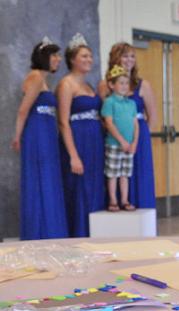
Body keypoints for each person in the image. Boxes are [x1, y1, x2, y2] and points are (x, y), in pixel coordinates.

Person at [11, 38, 68, 240]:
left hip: (45, 132)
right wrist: (17, 136)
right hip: (37, 133)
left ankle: (48, 228)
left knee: (47, 177)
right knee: (41, 177)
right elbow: (23, 111)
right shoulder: (35, 78)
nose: (58, 59)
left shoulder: (42, 79)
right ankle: (42, 230)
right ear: (44, 57)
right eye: (54, 56)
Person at [56, 33, 105, 237]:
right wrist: (73, 155)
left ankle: (95, 232)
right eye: (84, 56)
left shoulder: (89, 85)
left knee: (94, 186)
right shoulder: (66, 84)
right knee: (79, 188)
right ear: (72, 59)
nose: (88, 60)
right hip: (77, 141)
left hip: (94, 141)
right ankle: (79, 233)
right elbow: (62, 121)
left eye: (90, 56)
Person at [98, 42, 157, 209]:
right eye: (125, 56)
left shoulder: (143, 85)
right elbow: (104, 116)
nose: (129, 60)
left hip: (138, 135)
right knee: (114, 173)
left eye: (132, 56)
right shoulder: (105, 85)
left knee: (138, 174)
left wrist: (141, 138)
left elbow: (152, 116)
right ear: (116, 59)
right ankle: (115, 203)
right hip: (115, 138)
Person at [101, 65, 138, 212]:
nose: (124, 86)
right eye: (120, 83)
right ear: (111, 85)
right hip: (114, 144)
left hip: (129, 146)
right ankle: (113, 200)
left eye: (126, 83)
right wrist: (121, 141)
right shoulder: (109, 102)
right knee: (113, 174)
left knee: (125, 174)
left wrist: (134, 142)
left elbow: (136, 124)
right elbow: (108, 123)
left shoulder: (132, 103)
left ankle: (124, 199)